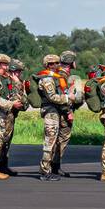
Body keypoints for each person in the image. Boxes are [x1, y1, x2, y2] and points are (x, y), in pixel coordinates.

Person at [36, 53, 72, 182]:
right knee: (50, 141)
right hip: (50, 112)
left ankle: (51, 168)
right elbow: (52, 97)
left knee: (54, 140)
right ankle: (45, 171)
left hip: (56, 111)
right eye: (55, 63)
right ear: (49, 65)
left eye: (58, 63)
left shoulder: (55, 77)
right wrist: (68, 98)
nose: (58, 65)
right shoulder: (47, 79)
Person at [52, 51, 84, 178]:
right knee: (60, 140)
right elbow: (63, 96)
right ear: (72, 63)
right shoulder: (62, 76)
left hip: (60, 112)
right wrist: (68, 112)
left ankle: (55, 166)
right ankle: (52, 167)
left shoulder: (61, 75)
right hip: (62, 113)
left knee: (59, 140)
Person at [0, 58, 26, 176]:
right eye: (19, 71)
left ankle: (3, 166)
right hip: (4, 114)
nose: (20, 74)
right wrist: (17, 83)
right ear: (14, 71)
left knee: (7, 141)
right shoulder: (6, 81)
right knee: (2, 141)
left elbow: (23, 99)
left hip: (12, 115)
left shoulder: (17, 81)